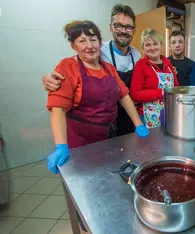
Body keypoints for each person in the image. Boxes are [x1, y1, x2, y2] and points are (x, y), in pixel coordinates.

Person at [46, 20, 148, 175]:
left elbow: (124, 96)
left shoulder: (109, 69)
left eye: (93, 40)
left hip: (107, 138)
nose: (89, 45)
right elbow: (57, 108)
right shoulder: (68, 66)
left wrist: (138, 124)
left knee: (106, 176)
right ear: (73, 46)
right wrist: (61, 145)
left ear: (100, 43)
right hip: (80, 141)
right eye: (82, 41)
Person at [42, 4, 140, 136]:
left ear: (133, 30)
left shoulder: (136, 54)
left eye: (128, 27)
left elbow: (125, 93)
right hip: (91, 126)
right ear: (111, 27)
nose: (123, 30)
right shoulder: (100, 49)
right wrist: (49, 78)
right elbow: (75, 63)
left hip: (124, 116)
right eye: (118, 25)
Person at [130, 29, 179, 129]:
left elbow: (177, 89)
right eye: (148, 45)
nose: (152, 48)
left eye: (155, 44)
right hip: (147, 118)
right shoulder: (140, 65)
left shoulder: (169, 65)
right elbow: (135, 94)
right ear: (142, 48)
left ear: (161, 45)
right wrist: (161, 93)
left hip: (168, 115)